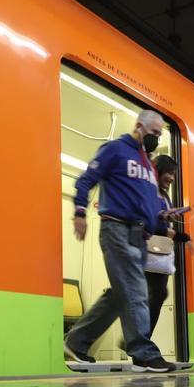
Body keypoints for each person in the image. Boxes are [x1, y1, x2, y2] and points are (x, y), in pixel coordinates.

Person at [63, 110, 176, 373]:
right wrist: (80, 212)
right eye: (154, 133)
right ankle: (143, 352)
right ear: (139, 126)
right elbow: (85, 181)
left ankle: (77, 341)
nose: (156, 139)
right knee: (137, 290)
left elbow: (145, 201)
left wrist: (157, 219)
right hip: (116, 228)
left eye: (159, 135)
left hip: (138, 235)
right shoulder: (115, 150)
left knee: (120, 295)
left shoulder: (148, 165)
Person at [145, 155, 192, 333]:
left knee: (157, 294)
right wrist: (165, 228)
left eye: (174, 174)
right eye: (170, 173)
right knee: (154, 294)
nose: (172, 178)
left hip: (159, 254)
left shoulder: (164, 196)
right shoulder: (148, 191)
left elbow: (164, 224)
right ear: (157, 171)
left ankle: (139, 340)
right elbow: (147, 220)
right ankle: (139, 340)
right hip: (146, 250)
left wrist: (181, 235)